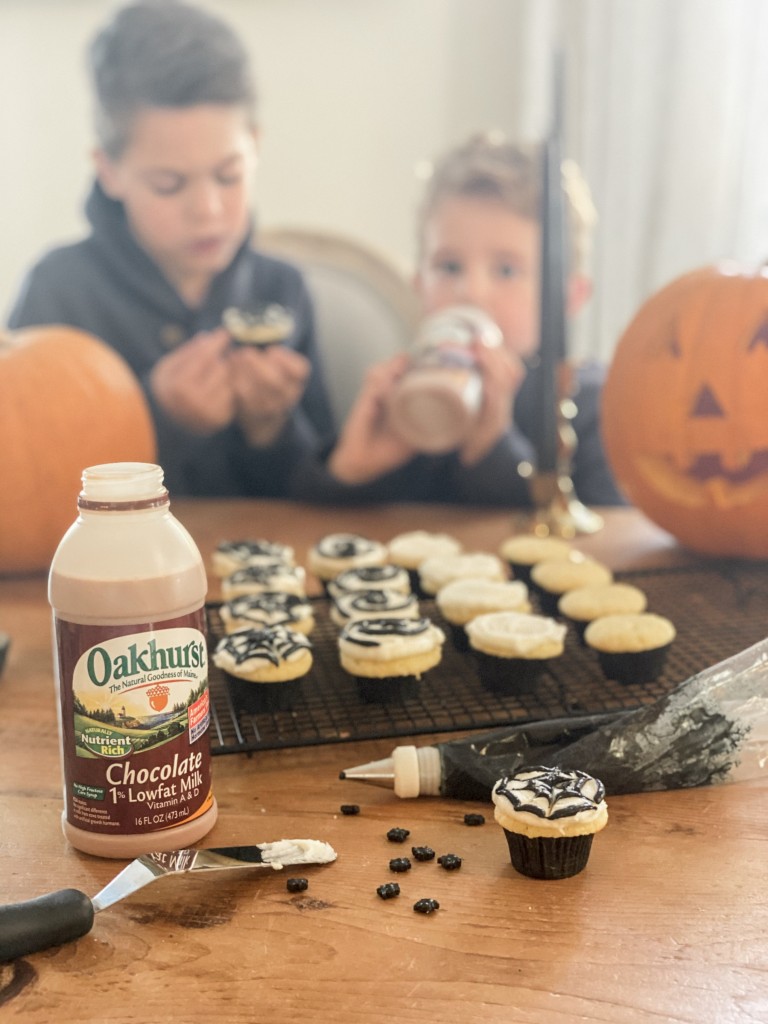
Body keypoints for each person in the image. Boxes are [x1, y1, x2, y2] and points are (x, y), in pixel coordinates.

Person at [7, 0, 333, 497]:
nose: (207, 210)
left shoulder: (281, 289)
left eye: (229, 176)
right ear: (109, 171)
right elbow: (28, 484)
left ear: (255, 146)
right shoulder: (59, 292)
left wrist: (270, 428)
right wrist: (159, 416)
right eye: (168, 184)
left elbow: (322, 490)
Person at [291, 132, 624, 507]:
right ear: (419, 285)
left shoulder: (595, 407)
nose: (471, 292)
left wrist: (494, 451)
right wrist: (349, 470)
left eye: (506, 271)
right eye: (449, 266)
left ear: (570, 296)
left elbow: (601, 545)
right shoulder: (405, 396)